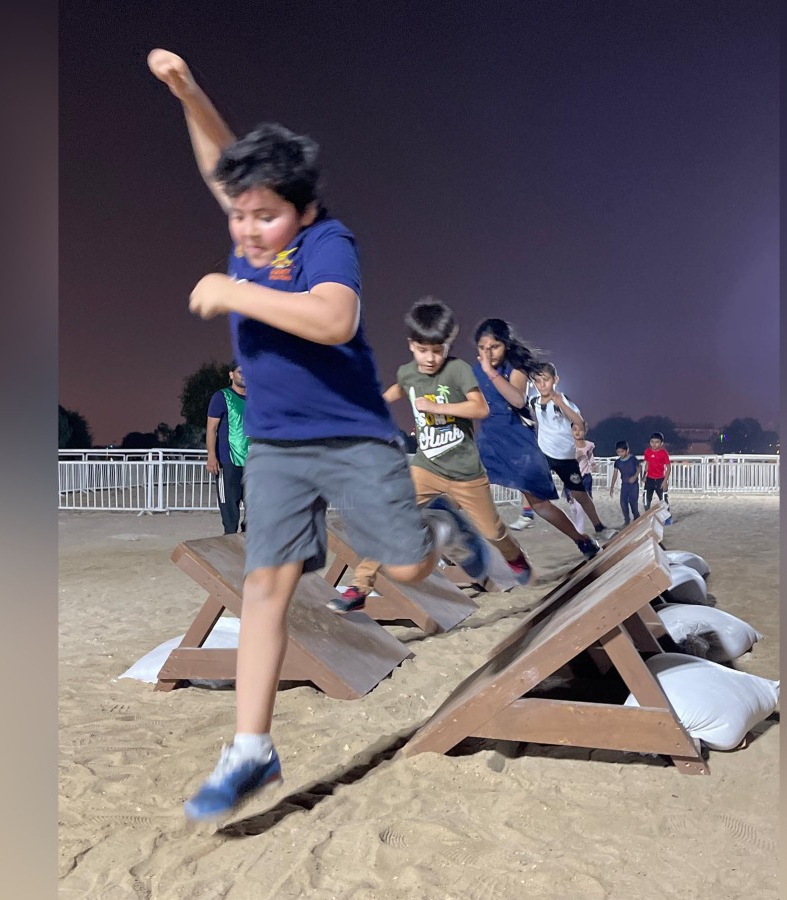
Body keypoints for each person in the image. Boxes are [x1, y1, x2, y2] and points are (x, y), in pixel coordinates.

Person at [148, 48, 493, 823]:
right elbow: (220, 161)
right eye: (238, 213)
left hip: (349, 436)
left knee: (404, 563)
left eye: (263, 215)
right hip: (273, 446)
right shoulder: (249, 228)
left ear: (301, 211)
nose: (246, 228)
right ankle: (252, 749)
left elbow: (335, 319)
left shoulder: (325, 243)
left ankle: (437, 525)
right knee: (265, 585)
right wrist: (189, 90)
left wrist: (236, 289)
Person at [334, 300, 533, 610]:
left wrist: (437, 407)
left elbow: (480, 408)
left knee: (492, 530)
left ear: (447, 345)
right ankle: (359, 587)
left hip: (466, 472)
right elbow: (394, 391)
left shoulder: (457, 370)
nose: (430, 358)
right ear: (411, 345)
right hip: (426, 469)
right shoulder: (408, 373)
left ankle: (515, 557)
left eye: (437, 350)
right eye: (423, 350)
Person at [472, 318, 600, 559]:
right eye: (482, 348)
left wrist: (490, 373)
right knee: (466, 494)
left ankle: (582, 540)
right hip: (488, 440)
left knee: (540, 504)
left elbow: (518, 400)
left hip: (518, 444)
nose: (487, 354)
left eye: (494, 347)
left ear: (506, 345)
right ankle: (474, 555)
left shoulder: (515, 367)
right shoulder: (474, 370)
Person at [527, 362, 610, 538]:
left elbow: (579, 422)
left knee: (579, 493)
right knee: (527, 478)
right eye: (537, 381)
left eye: (546, 380)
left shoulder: (562, 399)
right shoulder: (533, 401)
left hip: (565, 457)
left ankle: (599, 526)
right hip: (544, 453)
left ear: (555, 380)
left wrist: (561, 404)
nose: (542, 385)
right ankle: (526, 513)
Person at [206, 361, 248, 535]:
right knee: (230, 510)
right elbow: (211, 428)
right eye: (240, 371)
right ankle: (230, 542)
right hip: (228, 461)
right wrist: (211, 455)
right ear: (231, 374)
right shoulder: (221, 397)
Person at [642, 431, 673, 522]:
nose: (654, 444)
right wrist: (644, 475)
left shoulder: (663, 453)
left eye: (657, 442)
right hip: (650, 479)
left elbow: (668, 467)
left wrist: (665, 481)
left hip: (660, 479)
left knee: (663, 499)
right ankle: (647, 516)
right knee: (646, 499)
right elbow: (647, 464)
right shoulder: (647, 452)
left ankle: (667, 518)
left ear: (661, 443)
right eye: (652, 442)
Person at [609, 440, 640, 526]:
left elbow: (639, 468)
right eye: (618, 452)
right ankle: (627, 520)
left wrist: (634, 477)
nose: (620, 453)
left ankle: (636, 517)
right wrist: (612, 487)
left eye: (622, 451)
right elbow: (615, 475)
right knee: (623, 502)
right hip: (625, 484)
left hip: (633, 485)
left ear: (627, 450)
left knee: (633, 502)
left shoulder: (633, 459)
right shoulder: (617, 462)